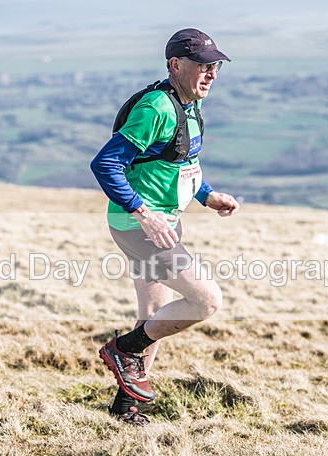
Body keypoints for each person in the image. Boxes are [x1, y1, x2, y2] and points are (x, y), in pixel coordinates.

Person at [90, 28, 240, 426]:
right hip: (140, 225)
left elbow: (176, 162)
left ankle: (125, 410)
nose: (211, 74)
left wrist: (207, 195)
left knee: (153, 312)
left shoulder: (187, 105)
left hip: (162, 223)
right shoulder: (157, 107)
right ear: (175, 65)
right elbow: (105, 164)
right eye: (203, 66)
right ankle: (124, 349)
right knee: (206, 300)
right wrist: (143, 212)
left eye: (215, 67)